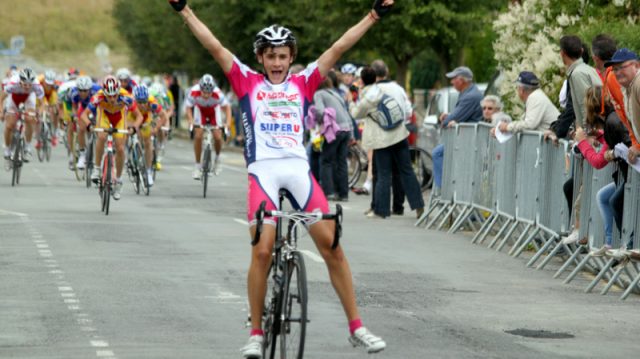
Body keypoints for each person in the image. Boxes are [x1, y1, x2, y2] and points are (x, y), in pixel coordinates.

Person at [168, 0, 391, 357]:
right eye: (270, 56)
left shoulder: (304, 81)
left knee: (332, 246)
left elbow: (339, 47)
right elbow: (214, 45)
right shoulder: (246, 80)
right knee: (262, 250)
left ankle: (357, 327)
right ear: (260, 58)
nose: (276, 63)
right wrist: (185, 11)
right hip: (264, 173)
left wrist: (373, 15)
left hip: (298, 170)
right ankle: (256, 332)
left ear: (291, 58)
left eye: (283, 56)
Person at [350, 62, 424, 219]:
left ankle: (381, 210)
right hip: (399, 133)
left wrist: (352, 99)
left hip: (382, 139)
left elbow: (356, 113)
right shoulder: (396, 88)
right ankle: (418, 205)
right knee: (407, 171)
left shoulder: (368, 94)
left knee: (383, 174)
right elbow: (408, 111)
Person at [576, 86, 630, 253]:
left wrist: (582, 142)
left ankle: (626, 244)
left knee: (615, 201)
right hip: (626, 174)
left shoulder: (612, 121)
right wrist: (597, 137)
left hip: (631, 175)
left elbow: (598, 162)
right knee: (603, 196)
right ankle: (610, 241)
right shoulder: (610, 122)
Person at [81, 76, 142, 200]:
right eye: (109, 96)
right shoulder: (98, 97)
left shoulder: (127, 97)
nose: (112, 99)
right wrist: (89, 125)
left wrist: (134, 128)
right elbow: (84, 115)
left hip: (119, 118)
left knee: (120, 148)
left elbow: (139, 117)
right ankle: (97, 169)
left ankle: (118, 181)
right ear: (104, 92)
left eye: (115, 95)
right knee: (102, 136)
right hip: (104, 116)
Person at [432, 66, 483, 191]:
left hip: (468, 139)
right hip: (466, 137)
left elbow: (452, 119)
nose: (451, 82)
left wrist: (446, 119)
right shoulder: (468, 93)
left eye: (454, 79)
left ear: (462, 80)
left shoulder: (470, 96)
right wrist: (449, 116)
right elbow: (458, 116)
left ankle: (444, 190)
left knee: (437, 153)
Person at [545, 35, 602, 141]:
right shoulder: (586, 69)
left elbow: (585, 106)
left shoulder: (577, 74)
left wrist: (587, 134)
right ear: (581, 51)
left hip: (593, 134)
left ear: (562, 53)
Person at [312, 71, 353, 201]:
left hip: (334, 130)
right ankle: (343, 194)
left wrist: (318, 120)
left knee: (326, 161)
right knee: (342, 162)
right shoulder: (336, 94)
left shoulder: (319, 94)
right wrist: (351, 133)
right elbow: (347, 113)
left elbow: (319, 110)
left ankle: (328, 192)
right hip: (346, 129)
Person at [184, 74, 231, 179]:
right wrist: (191, 121)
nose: (206, 95)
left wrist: (227, 123)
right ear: (200, 88)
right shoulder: (193, 92)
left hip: (214, 111)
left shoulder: (218, 93)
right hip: (200, 111)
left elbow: (227, 108)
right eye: (204, 92)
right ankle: (197, 166)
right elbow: (188, 108)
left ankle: (217, 159)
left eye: (209, 92)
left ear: (212, 90)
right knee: (198, 135)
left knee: (218, 136)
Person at [494, 71, 559, 135]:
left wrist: (507, 127)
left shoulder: (534, 98)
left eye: (517, 88)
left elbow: (529, 125)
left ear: (521, 90)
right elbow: (524, 123)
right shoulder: (536, 96)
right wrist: (501, 129)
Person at [604, 48, 640, 163]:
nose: (618, 72)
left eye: (622, 67)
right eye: (615, 69)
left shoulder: (638, 84)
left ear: (636, 65)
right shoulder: (628, 88)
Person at [130, 85, 169, 186]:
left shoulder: (153, 103)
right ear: (135, 100)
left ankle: (148, 171)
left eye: (144, 102)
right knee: (132, 134)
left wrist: (156, 128)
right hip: (132, 117)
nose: (142, 105)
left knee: (148, 143)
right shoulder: (130, 102)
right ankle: (131, 154)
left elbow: (164, 117)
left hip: (146, 118)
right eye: (139, 102)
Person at [3, 68, 44, 162]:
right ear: (20, 82)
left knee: (30, 119)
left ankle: (27, 145)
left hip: (28, 98)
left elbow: (42, 104)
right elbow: (1, 99)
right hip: (13, 99)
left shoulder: (37, 86)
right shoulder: (12, 83)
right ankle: (8, 149)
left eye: (30, 85)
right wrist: (1, 112)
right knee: (10, 125)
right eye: (25, 84)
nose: (27, 87)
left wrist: (38, 114)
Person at [72, 76, 102, 170]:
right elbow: (74, 107)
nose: (83, 93)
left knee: (99, 127)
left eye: (85, 91)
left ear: (90, 89)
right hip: (84, 108)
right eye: (81, 90)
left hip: (97, 108)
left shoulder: (97, 90)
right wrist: (75, 116)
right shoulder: (74, 93)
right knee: (80, 128)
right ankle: (82, 155)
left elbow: (102, 107)